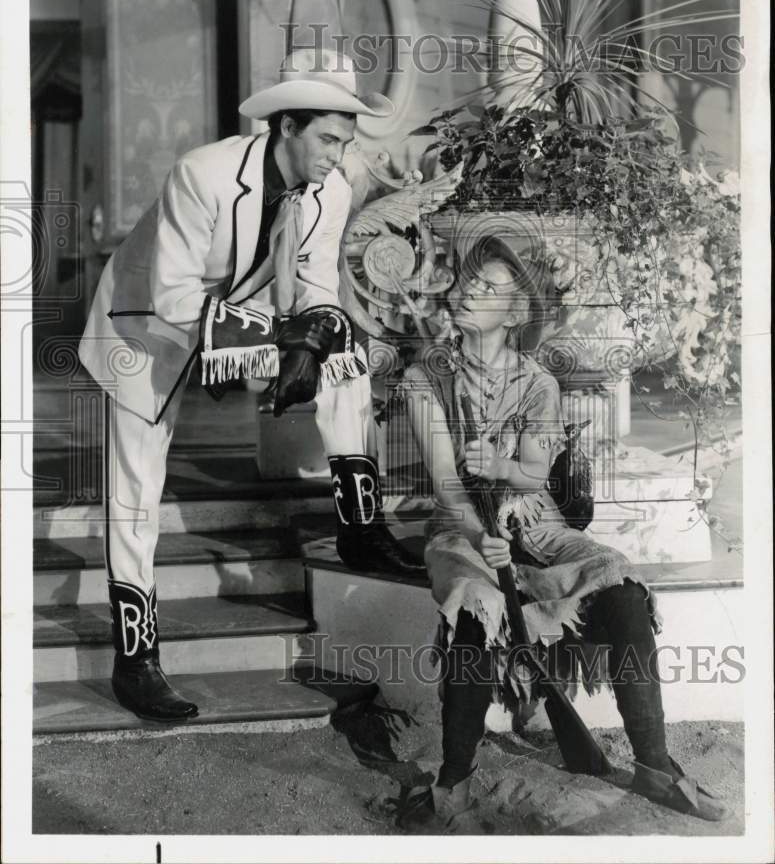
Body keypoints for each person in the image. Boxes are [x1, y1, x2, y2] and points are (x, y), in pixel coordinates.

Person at [78, 47, 424, 724]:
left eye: (346, 142)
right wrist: (284, 338)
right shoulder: (202, 173)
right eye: (327, 138)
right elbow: (175, 300)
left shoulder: (333, 188)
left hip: (241, 312)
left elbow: (318, 287)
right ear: (285, 127)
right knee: (135, 485)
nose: (336, 156)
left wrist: (313, 338)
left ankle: (359, 525)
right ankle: (136, 657)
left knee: (346, 356)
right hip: (141, 323)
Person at [394, 236, 728, 830]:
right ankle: (455, 781)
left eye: (490, 287)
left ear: (517, 313)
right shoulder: (427, 378)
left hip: (540, 525)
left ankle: (654, 763)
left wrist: (503, 477)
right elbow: (447, 483)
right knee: (476, 607)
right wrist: (482, 535)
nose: (471, 291)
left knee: (622, 587)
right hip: (461, 531)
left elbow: (536, 472)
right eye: (469, 282)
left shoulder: (539, 383)